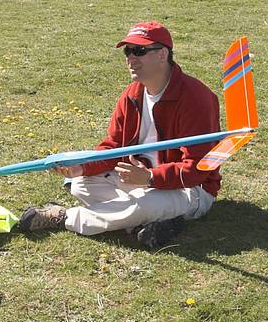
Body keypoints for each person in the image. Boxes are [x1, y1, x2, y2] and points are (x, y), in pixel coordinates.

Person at [18, 21, 222, 249]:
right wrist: (82, 167)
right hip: (138, 180)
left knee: (145, 205)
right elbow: (113, 146)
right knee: (79, 185)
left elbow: (199, 169)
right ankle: (150, 223)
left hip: (190, 189)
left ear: (163, 54)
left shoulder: (197, 98)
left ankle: (65, 217)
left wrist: (151, 178)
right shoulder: (132, 94)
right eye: (128, 51)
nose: (130, 59)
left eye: (140, 51)